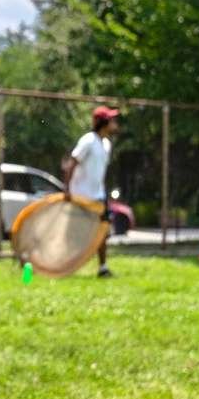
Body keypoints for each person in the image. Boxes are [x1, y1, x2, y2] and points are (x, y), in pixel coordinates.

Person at [63, 106, 120, 278]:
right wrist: (67, 190)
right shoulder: (88, 140)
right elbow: (72, 163)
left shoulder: (106, 144)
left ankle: (103, 268)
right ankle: (64, 265)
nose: (115, 123)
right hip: (81, 196)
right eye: (111, 120)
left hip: (98, 196)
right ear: (103, 123)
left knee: (103, 231)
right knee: (74, 234)